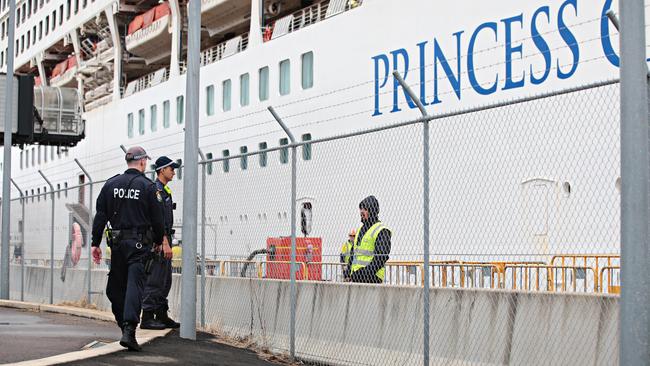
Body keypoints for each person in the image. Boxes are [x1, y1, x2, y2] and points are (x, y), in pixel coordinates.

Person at [90, 146, 164, 351]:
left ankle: (123, 323)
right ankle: (129, 329)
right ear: (142, 162)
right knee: (134, 286)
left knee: (115, 287)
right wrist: (159, 240)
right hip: (139, 245)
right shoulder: (148, 187)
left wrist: (95, 243)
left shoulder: (111, 184)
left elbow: (101, 216)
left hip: (117, 244)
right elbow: (158, 220)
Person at [141, 156, 180, 330]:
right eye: (171, 168)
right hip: (159, 241)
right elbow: (157, 220)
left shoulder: (164, 191)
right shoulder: (156, 191)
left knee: (165, 280)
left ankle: (161, 314)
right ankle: (147, 317)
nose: (173, 171)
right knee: (155, 279)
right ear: (161, 170)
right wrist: (164, 242)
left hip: (165, 239)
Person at [350, 196, 391, 284]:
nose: (361, 211)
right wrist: (348, 272)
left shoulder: (381, 230)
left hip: (372, 279)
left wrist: (364, 273)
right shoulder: (360, 229)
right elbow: (353, 253)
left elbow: (381, 257)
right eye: (360, 208)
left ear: (372, 210)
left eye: (365, 209)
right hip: (356, 276)